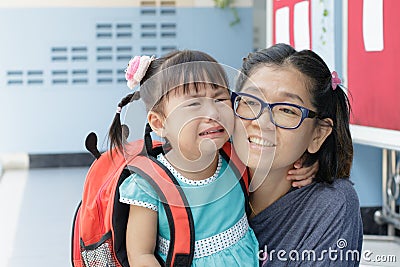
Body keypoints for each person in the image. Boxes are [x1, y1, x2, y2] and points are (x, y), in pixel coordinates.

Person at [109, 50, 260, 267]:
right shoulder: (149, 186)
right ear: (159, 123)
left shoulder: (235, 154)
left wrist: (304, 168)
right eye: (193, 104)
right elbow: (141, 255)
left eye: (220, 99)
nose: (213, 113)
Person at [231, 43, 363, 266]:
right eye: (251, 102)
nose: (261, 123)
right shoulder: (202, 183)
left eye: (287, 110)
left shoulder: (330, 205)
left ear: (318, 135)